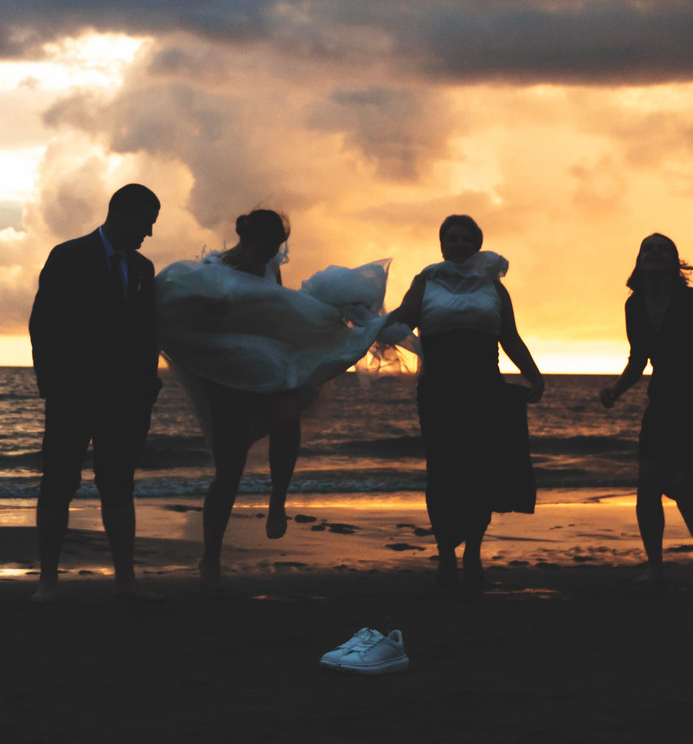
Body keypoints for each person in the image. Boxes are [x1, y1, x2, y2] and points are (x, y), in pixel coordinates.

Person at [156, 210, 401, 594]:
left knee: (288, 416)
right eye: (260, 249)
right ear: (243, 238)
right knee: (229, 469)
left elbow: (282, 310)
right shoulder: (211, 271)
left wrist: (325, 321)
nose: (265, 257)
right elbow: (190, 317)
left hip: (267, 364)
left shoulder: (270, 265)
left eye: (272, 250)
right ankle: (211, 557)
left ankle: (277, 501)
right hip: (226, 372)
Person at [383, 214, 544, 590]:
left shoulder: (493, 286)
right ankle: (445, 554)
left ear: (477, 245)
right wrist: (363, 324)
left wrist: (534, 375)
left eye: (465, 240)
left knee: (479, 474)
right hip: (439, 391)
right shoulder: (426, 281)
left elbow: (511, 337)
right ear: (442, 244)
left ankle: (472, 551)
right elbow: (402, 322)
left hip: (485, 388)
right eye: (451, 239)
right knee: (442, 473)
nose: (458, 245)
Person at [29, 184, 165, 602]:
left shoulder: (144, 268)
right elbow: (43, 324)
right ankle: (48, 581)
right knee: (57, 484)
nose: (149, 233)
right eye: (146, 223)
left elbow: (147, 330)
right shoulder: (68, 255)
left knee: (119, 484)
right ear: (122, 214)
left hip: (126, 399)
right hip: (73, 394)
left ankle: (126, 580)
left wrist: (148, 386)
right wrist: (55, 386)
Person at [598, 233, 693, 585]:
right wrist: (616, 390)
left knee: (683, 486)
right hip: (663, 399)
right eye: (647, 248)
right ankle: (656, 568)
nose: (653, 252)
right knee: (647, 486)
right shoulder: (633, 306)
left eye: (662, 249)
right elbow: (638, 359)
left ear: (673, 262)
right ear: (639, 260)